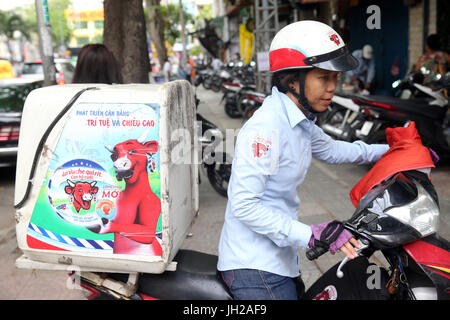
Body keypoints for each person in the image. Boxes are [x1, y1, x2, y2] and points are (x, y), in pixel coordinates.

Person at [217, 20, 390, 300]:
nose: (333, 87)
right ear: (293, 79)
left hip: (280, 258)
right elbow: (244, 205)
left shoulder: (299, 121)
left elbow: (334, 150)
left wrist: (391, 149)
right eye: (324, 77)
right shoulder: (267, 129)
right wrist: (311, 234)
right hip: (254, 265)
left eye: (335, 78)